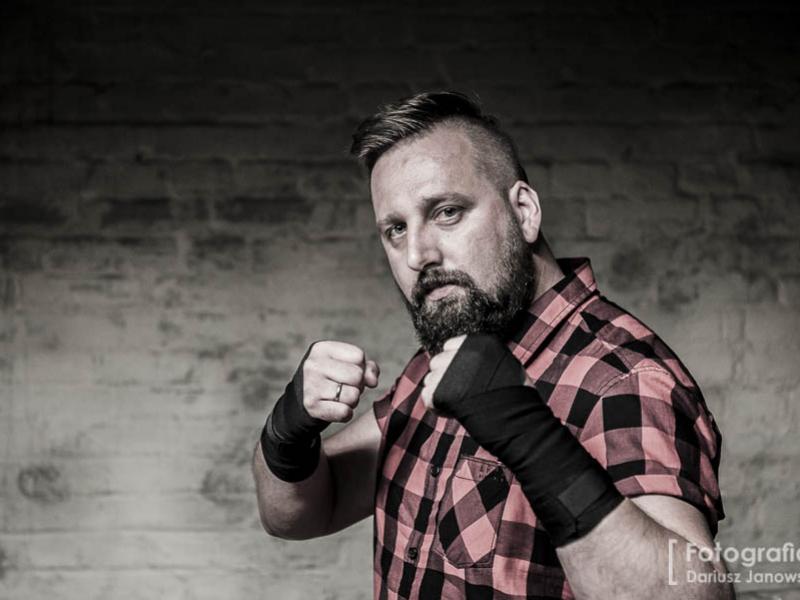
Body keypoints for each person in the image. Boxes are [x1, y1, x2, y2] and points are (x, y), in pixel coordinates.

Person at [252, 91, 732, 599]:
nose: (417, 254)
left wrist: (532, 439)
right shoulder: (445, 360)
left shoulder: (622, 380)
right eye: (396, 229)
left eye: (447, 212)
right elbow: (295, 515)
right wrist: (288, 432)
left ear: (524, 212)